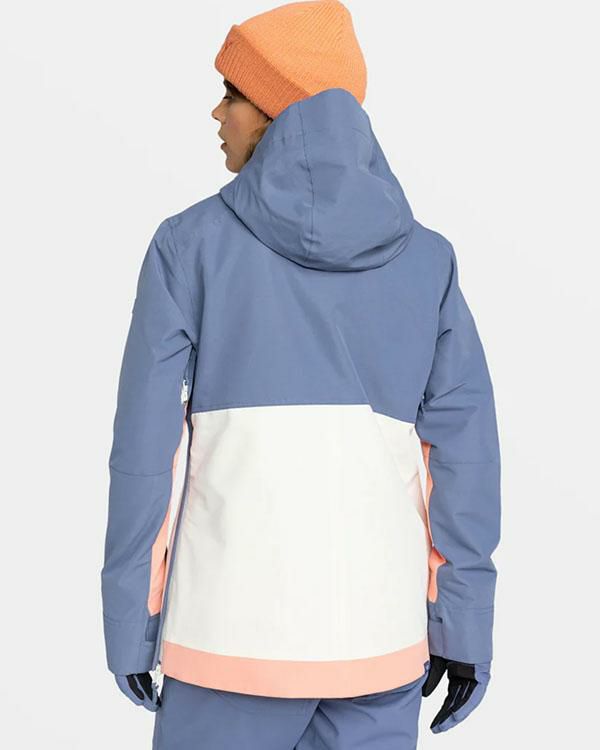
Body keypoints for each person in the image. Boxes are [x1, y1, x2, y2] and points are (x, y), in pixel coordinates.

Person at [100, 1, 501, 748]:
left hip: (226, 646)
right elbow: (462, 458)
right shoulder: (428, 260)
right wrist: (463, 623)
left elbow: (148, 455)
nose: (216, 112)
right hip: (379, 648)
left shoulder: (188, 247)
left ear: (277, 110)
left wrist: (132, 620)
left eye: (232, 93)